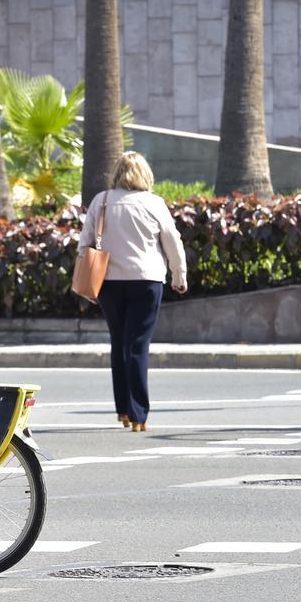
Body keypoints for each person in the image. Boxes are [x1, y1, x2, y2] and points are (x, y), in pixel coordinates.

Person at [78, 151, 187, 433]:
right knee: (138, 344)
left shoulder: (101, 201)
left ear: (116, 173)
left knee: (118, 342)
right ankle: (139, 414)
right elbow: (172, 240)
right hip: (146, 279)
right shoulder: (153, 203)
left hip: (109, 282)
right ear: (145, 174)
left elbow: (85, 243)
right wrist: (179, 274)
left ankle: (124, 411)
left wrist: (87, 282)